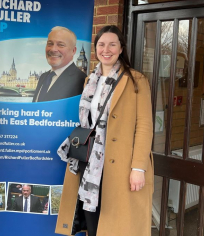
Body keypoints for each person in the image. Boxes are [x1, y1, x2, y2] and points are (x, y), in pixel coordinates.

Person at [55, 25, 153, 236]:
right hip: (90, 161)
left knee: (115, 222)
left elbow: (144, 126)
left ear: (120, 48)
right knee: (92, 217)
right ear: (96, 48)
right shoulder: (90, 80)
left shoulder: (136, 80)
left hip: (121, 164)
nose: (106, 49)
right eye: (101, 44)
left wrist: (139, 168)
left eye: (112, 44)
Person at [32, 26, 86, 102]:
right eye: (50, 44)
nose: (53, 49)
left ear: (73, 51)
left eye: (61, 45)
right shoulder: (43, 77)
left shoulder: (81, 80)